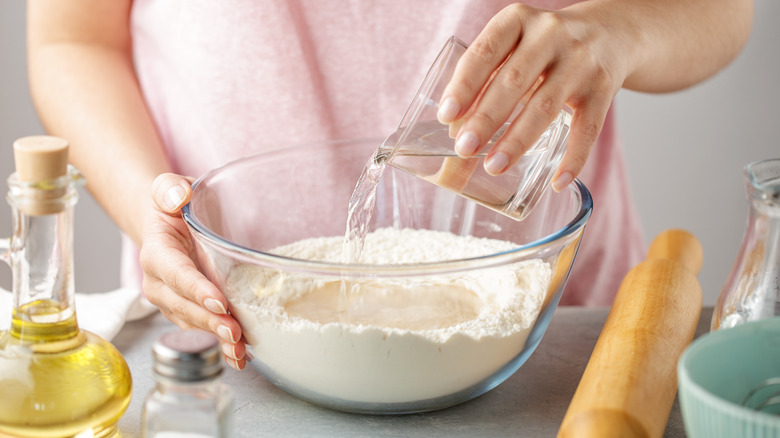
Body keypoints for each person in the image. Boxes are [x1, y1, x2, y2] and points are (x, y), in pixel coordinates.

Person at [26, 0, 753, 370]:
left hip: (545, 335)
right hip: (225, 332)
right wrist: (153, 210)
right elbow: (72, 35)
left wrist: (618, 29)